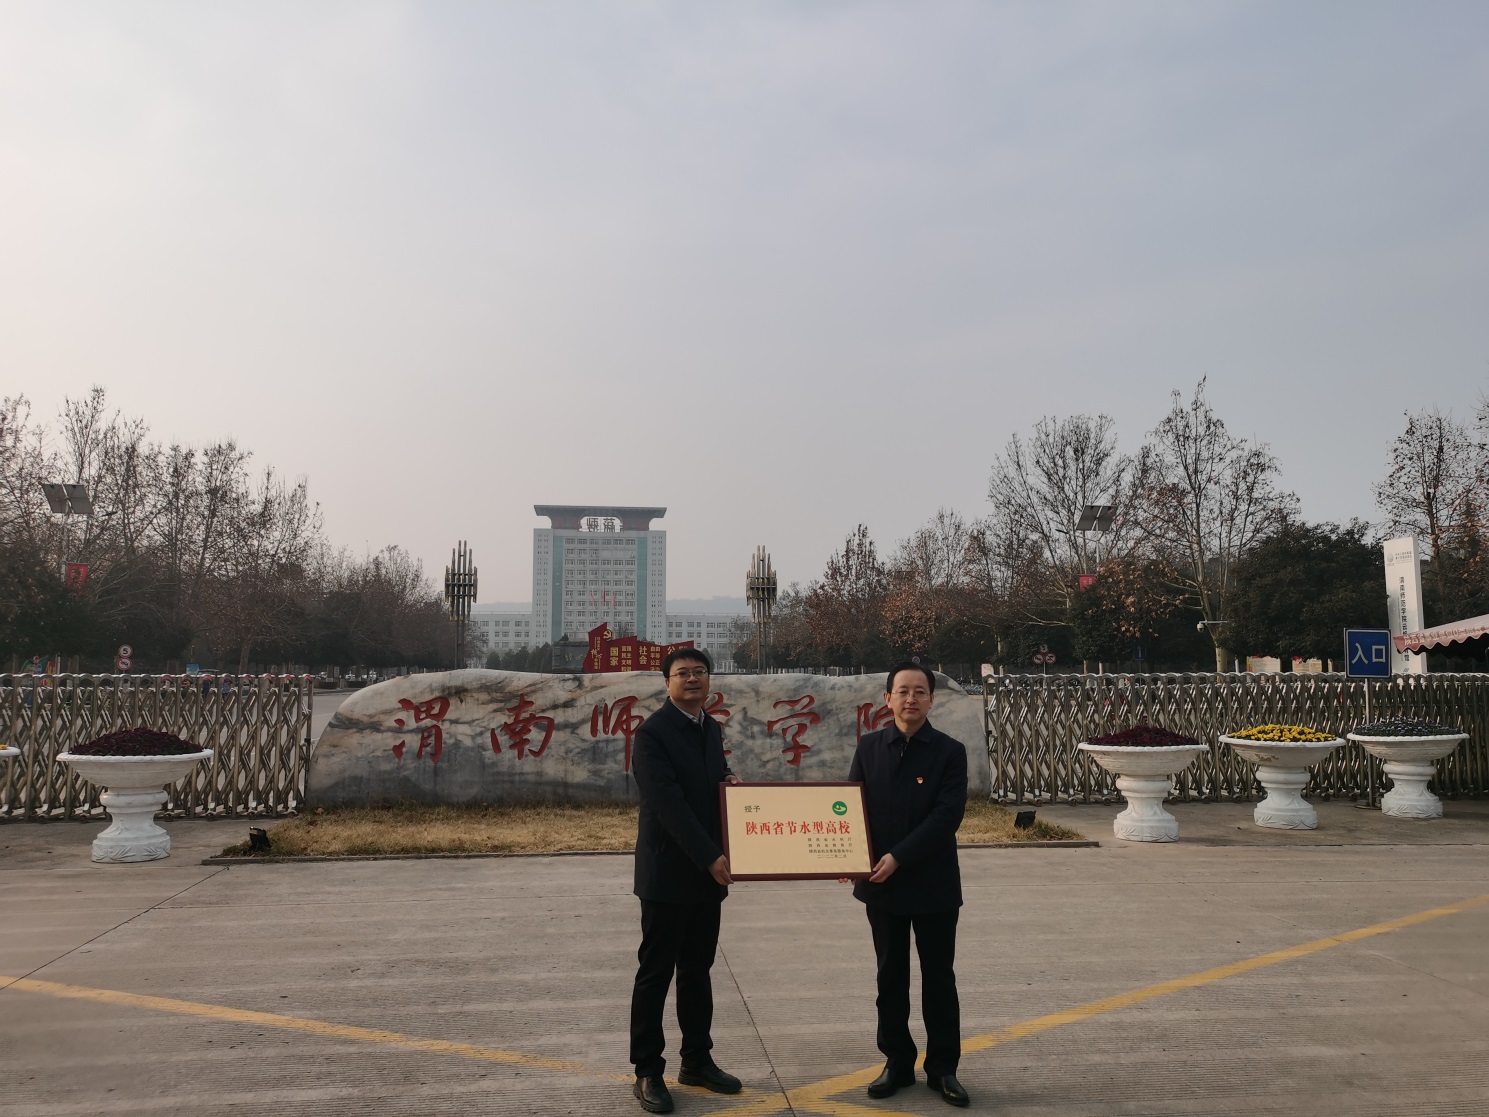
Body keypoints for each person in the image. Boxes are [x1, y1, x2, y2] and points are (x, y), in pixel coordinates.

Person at [848, 661, 970, 1107]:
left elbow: (946, 816)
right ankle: (896, 1062)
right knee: (890, 977)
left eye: (920, 691)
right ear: (888, 698)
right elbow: (850, 806)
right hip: (882, 885)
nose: (911, 699)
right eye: (902, 691)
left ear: (932, 700)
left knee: (939, 979)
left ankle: (943, 1068)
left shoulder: (949, 751)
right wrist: (847, 856)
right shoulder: (869, 747)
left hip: (933, 883)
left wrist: (898, 856)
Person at [628, 647, 744, 1113]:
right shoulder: (652, 734)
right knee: (655, 973)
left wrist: (728, 780)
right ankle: (647, 1070)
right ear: (667, 682)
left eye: (700, 672)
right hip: (667, 873)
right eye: (682, 673)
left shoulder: (709, 727)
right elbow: (668, 804)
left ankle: (696, 1060)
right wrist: (710, 856)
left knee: (697, 971)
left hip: (706, 874)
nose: (692, 679)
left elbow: (707, 779)